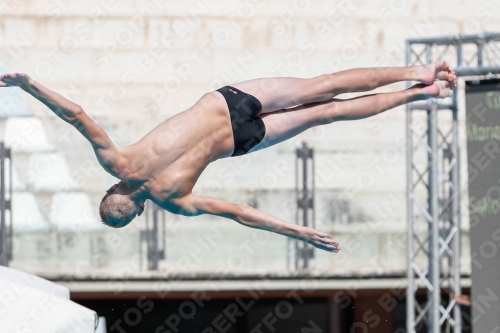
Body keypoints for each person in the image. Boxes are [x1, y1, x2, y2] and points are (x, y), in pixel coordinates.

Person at [0, 61, 456, 252]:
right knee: (322, 86)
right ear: (112, 190)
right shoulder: (116, 162)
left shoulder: (172, 200)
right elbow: (75, 114)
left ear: (138, 210)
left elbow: (239, 213)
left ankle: (423, 93)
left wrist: (296, 231)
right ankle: (417, 71)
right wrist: (27, 84)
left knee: (326, 115)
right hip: (226, 104)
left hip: (243, 140)